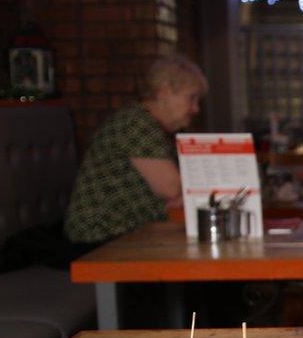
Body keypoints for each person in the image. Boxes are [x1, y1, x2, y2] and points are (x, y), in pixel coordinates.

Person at [64, 54, 207, 246]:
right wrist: (185, 194)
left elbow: (176, 191)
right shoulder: (136, 123)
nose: (195, 109)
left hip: (129, 233)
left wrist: (185, 195)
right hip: (100, 237)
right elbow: (170, 188)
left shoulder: (148, 125)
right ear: (164, 92)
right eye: (191, 98)